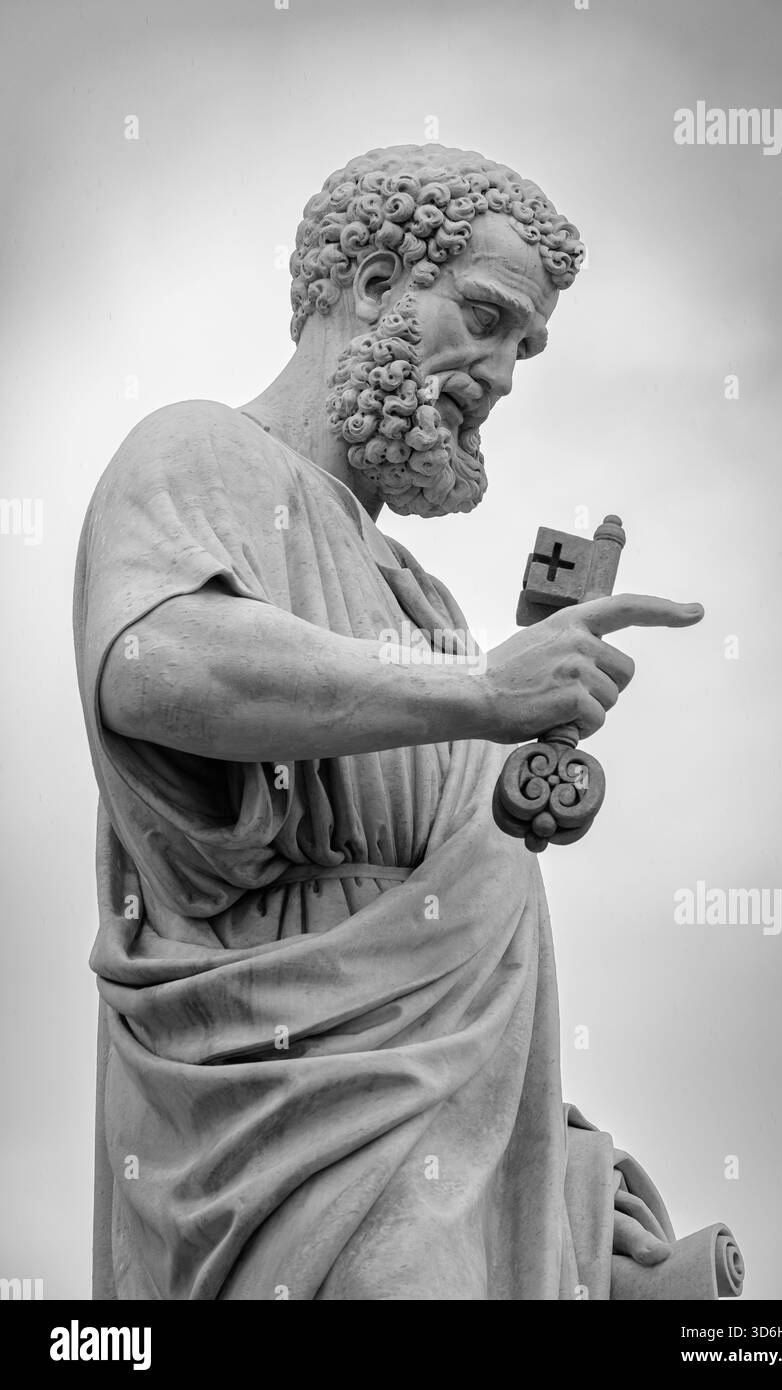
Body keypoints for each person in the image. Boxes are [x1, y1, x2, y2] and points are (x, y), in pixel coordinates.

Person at [74, 145, 703, 1300]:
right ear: (371, 280)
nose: (505, 373)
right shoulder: (197, 450)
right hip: (282, 1101)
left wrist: (545, 1162)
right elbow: (155, 666)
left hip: (453, 1104)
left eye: (525, 347)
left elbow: (463, 911)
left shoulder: (424, 600)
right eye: (485, 316)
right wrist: (480, 693)